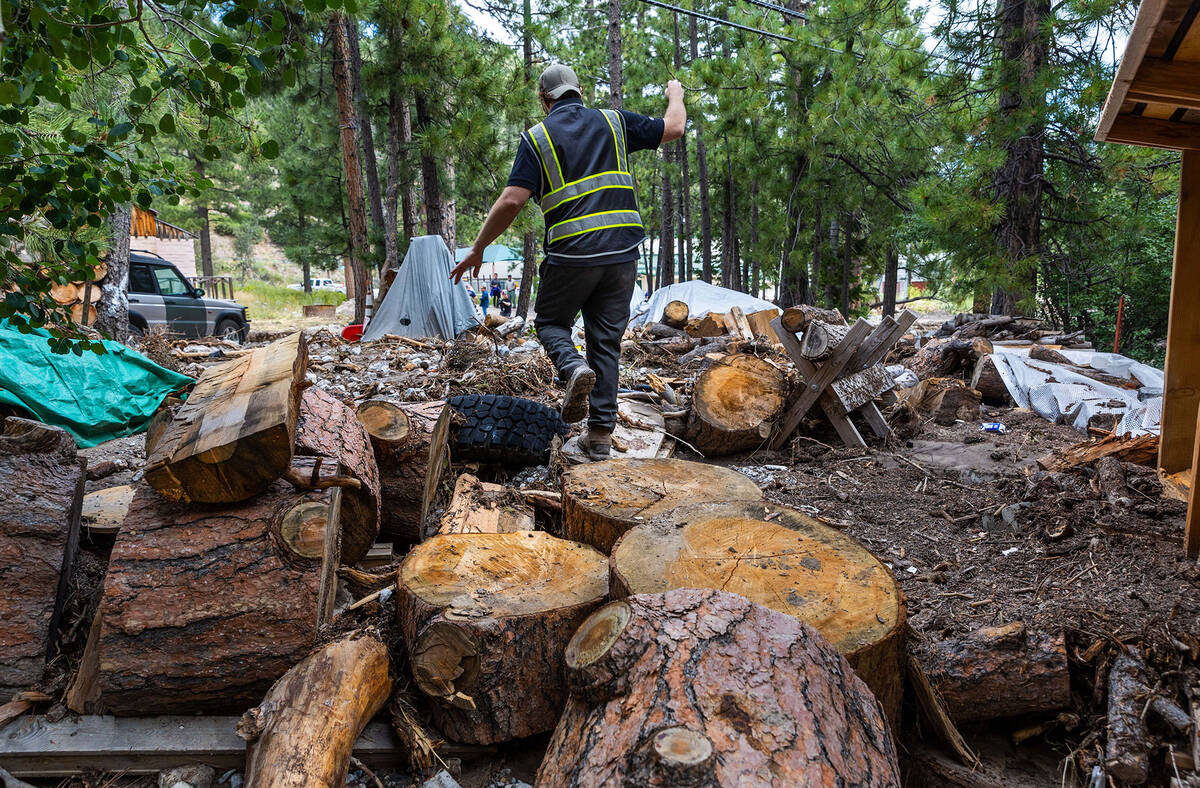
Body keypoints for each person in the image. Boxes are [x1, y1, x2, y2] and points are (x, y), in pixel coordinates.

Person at [450, 64, 686, 460]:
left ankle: (573, 368)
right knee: (606, 342)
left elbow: (511, 200)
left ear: (545, 100)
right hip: (621, 256)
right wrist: (675, 93)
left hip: (572, 255)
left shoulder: (537, 138)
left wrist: (477, 248)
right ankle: (598, 438)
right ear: (579, 91)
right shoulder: (614, 122)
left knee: (551, 323)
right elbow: (673, 127)